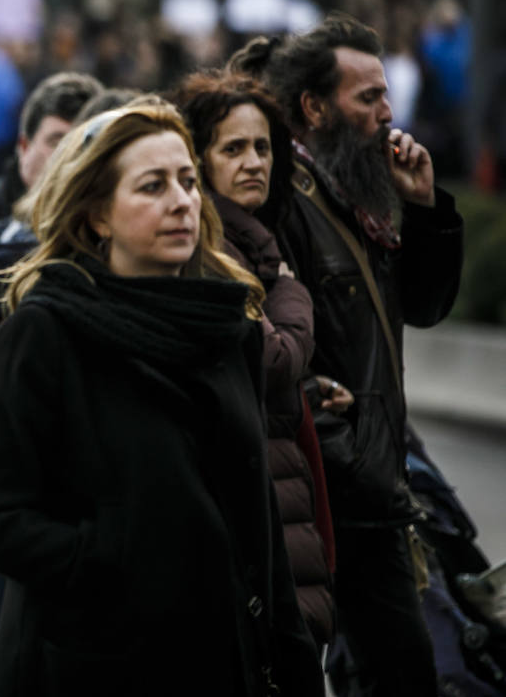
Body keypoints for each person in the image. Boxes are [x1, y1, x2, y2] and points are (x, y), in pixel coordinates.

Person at [0, 99, 324, 696]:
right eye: (152, 186)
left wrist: (295, 664)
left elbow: (262, 536)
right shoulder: (43, 334)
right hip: (93, 668)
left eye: (186, 181)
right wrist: (126, 555)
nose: (181, 201)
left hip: (221, 662)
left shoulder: (228, 327)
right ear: (98, 215)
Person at [254, 14, 464, 697]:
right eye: (366, 98)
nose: (386, 114)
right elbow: (279, 347)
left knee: (389, 671)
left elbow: (425, 308)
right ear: (315, 108)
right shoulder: (288, 202)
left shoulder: (356, 198)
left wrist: (427, 210)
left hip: (367, 481)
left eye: (385, 95)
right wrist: (344, 449)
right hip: (329, 484)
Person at [174, 71, 337, 644]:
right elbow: (271, 358)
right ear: (200, 159)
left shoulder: (256, 237)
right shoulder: (209, 243)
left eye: (263, 147)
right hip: (252, 505)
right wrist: (291, 291)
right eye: (233, 148)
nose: (253, 162)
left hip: (278, 487)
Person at [0, 71, 102, 377]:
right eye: (57, 141)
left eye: (82, 143)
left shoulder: (105, 222)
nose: (69, 156)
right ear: (24, 146)